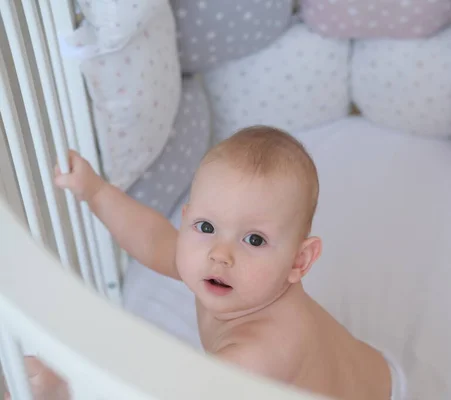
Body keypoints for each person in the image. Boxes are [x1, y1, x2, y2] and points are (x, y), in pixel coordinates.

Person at [6, 126, 405, 400]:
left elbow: (165, 389)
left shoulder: (260, 351)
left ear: (299, 261)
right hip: (363, 368)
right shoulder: (217, 267)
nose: (221, 252)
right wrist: (96, 192)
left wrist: (69, 386)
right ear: (188, 222)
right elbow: (152, 238)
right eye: (206, 226)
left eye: (254, 239)